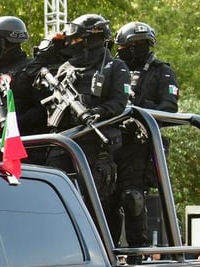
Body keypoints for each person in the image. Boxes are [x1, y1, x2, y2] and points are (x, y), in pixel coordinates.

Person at [43, 13, 130, 245]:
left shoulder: (115, 66)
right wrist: (51, 49)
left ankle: (104, 251)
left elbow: (120, 102)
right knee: (54, 199)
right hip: (63, 142)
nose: (72, 43)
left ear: (93, 38)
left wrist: (98, 112)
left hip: (94, 144)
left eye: (77, 39)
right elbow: (37, 77)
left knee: (96, 205)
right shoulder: (64, 67)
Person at [113, 21, 180, 248]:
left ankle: (137, 253)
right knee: (106, 200)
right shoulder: (113, 69)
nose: (120, 52)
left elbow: (169, 109)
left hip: (140, 145)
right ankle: (106, 252)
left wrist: (140, 108)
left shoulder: (162, 72)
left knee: (133, 198)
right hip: (112, 143)